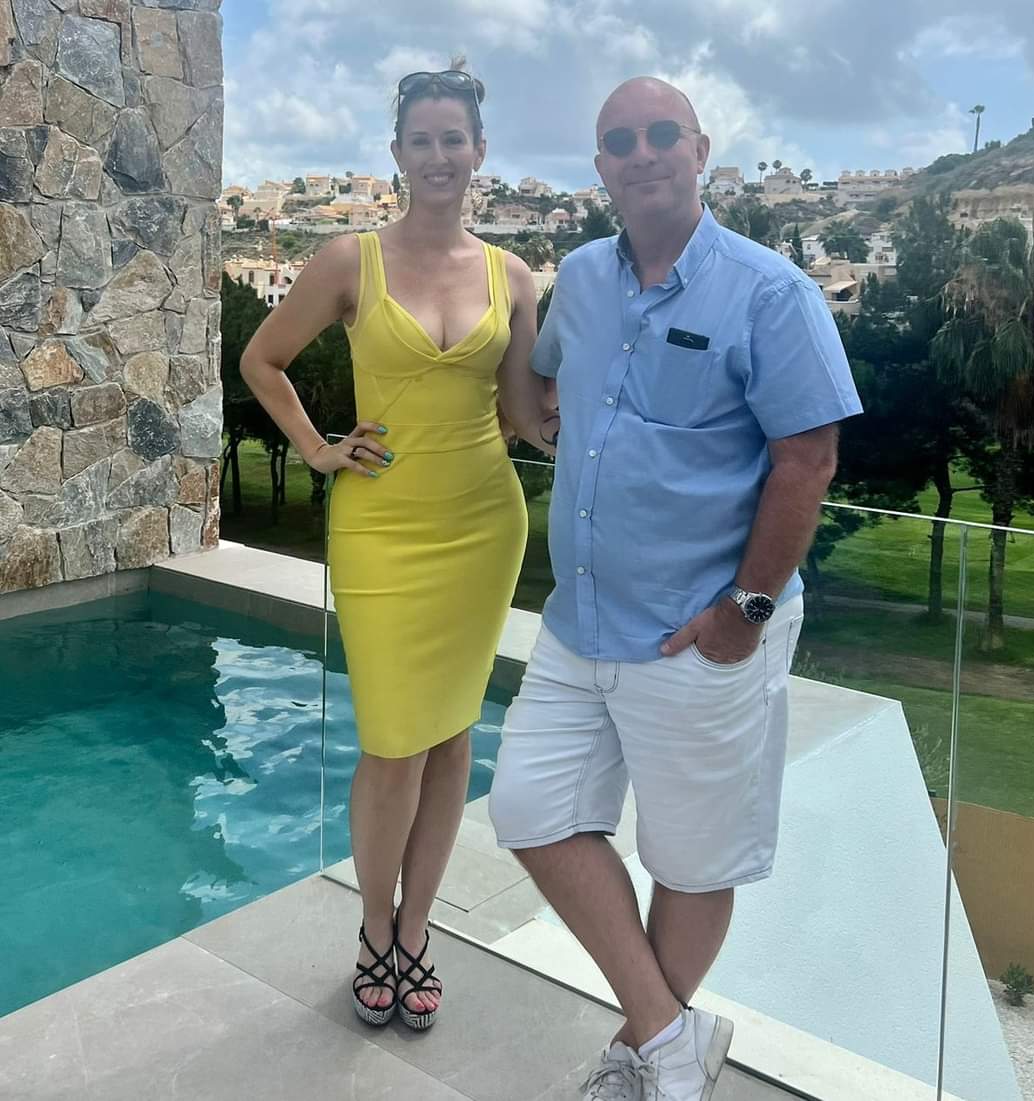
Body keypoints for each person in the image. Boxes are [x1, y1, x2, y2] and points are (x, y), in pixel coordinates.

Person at [488, 77, 862, 1100]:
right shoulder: (581, 277)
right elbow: (549, 383)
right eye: (620, 141)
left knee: (691, 863)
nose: (642, 152)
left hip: (701, 632)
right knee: (527, 808)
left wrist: (746, 610)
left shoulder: (770, 292)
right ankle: (669, 1039)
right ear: (600, 168)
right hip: (580, 621)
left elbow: (809, 460)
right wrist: (535, 368)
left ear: (699, 151)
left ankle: (641, 1053)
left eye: (662, 134)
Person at [239, 62, 553, 1032]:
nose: (439, 155)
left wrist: (617, 418)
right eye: (422, 139)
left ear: (480, 151)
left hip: (482, 526)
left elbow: (523, 413)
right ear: (397, 154)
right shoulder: (349, 260)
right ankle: (374, 927)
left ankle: (418, 929)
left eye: (454, 138)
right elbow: (261, 359)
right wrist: (316, 449)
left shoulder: (513, 276)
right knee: (389, 746)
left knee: (452, 737)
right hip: (380, 528)